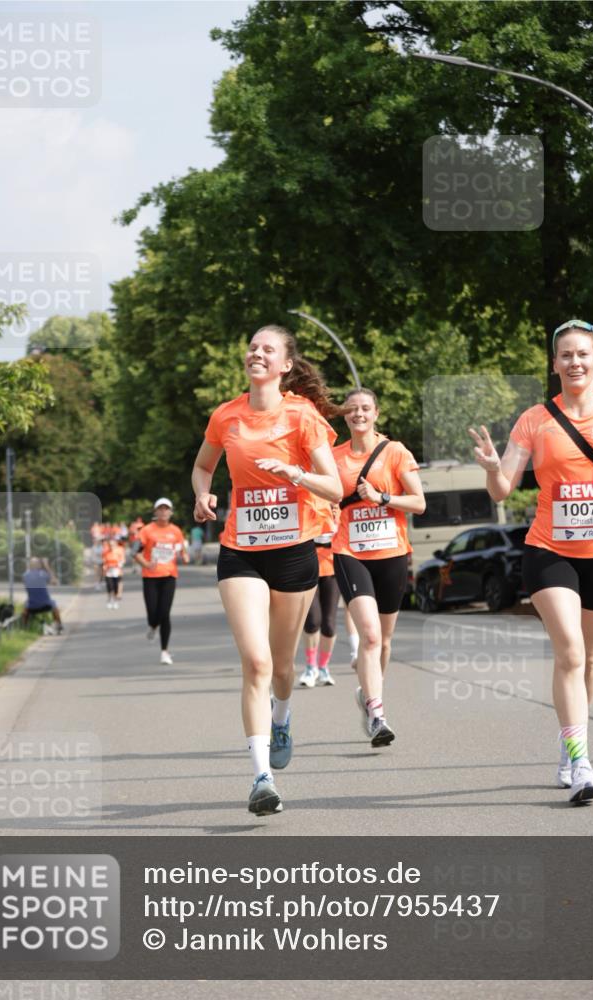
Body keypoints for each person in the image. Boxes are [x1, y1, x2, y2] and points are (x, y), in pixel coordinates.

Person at [192, 324, 342, 816]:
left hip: (295, 551)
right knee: (254, 662)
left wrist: (297, 474)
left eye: (267, 349)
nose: (256, 353)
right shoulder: (226, 415)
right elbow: (203, 466)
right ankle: (261, 777)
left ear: (285, 366)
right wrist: (201, 495)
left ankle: (282, 716)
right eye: (251, 346)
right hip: (241, 550)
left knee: (282, 667)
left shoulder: (302, 416)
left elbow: (335, 487)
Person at [469, 319, 593, 805]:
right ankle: (581, 761)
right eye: (566, 355)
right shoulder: (534, 419)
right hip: (550, 550)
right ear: (555, 365)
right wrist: (493, 470)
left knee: (592, 657)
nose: (575, 362)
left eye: (583, 354)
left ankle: (567, 740)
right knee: (571, 652)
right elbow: (503, 488)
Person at [332, 388, 425, 747]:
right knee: (369, 635)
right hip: (349, 552)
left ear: (376, 413)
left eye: (365, 408)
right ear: (345, 416)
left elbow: (418, 503)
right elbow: (322, 496)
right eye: (352, 409)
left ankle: (369, 694)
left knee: (384, 640)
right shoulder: (335, 457)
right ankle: (377, 713)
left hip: (391, 554)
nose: (359, 414)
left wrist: (382, 498)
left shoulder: (396, 452)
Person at [134, 499, 188, 665]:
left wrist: (185, 556)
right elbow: (135, 552)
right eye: (160, 509)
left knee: (165, 614)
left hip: (169, 575)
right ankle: (152, 625)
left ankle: (164, 651)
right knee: (153, 613)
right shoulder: (146, 531)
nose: (163, 512)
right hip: (150, 577)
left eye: (166, 509)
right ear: (155, 512)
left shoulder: (176, 531)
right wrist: (147, 564)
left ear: (171, 512)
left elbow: (181, 550)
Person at [299, 503, 340, 688]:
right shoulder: (305, 498)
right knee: (312, 621)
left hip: (333, 567)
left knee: (329, 625)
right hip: (307, 565)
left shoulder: (338, 503)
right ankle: (310, 667)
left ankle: (323, 667)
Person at [22, 557, 63, 633]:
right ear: (39, 565)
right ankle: (59, 625)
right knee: (55, 607)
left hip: (32, 606)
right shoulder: (43, 574)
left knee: (25, 608)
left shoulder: (25, 575)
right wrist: (47, 566)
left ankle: (25, 628)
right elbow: (55, 582)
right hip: (46, 604)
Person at [103, 538, 125, 610]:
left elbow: (122, 561)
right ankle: (109, 600)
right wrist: (105, 566)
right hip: (108, 573)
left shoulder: (119, 551)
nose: (111, 546)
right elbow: (104, 562)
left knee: (115, 587)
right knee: (109, 587)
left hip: (116, 572)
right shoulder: (106, 552)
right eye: (110, 545)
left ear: (115, 544)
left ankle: (115, 602)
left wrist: (118, 564)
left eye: (113, 545)